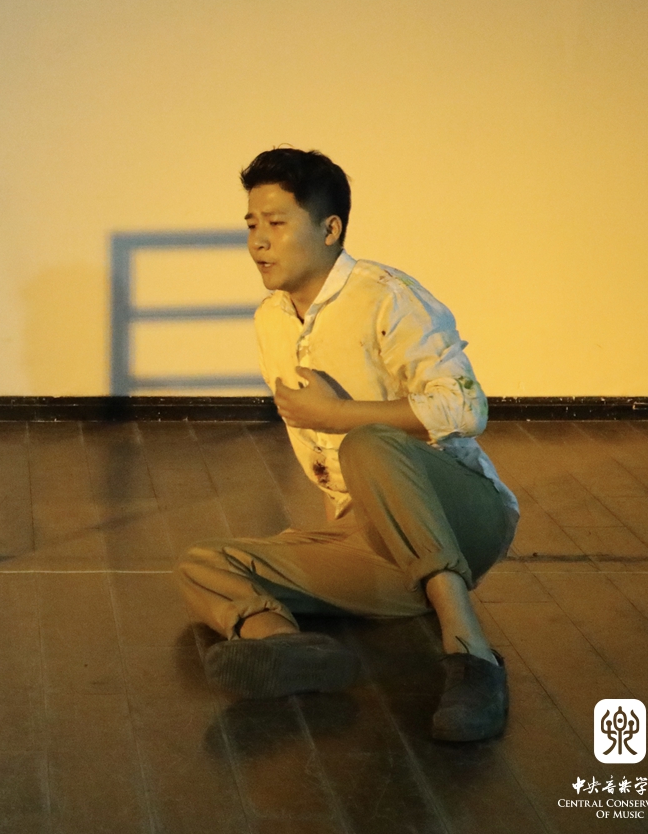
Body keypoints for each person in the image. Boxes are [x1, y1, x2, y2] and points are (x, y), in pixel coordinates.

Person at [176, 147, 518, 742]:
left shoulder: (388, 297)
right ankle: (286, 648)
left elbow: (467, 409)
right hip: (375, 541)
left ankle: (473, 655)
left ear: (330, 229)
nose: (259, 242)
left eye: (276, 223)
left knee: (367, 445)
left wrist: (337, 416)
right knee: (203, 563)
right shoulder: (271, 319)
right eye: (252, 225)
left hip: (463, 518)